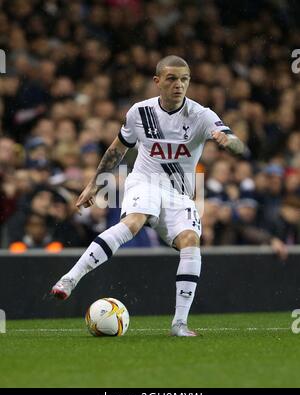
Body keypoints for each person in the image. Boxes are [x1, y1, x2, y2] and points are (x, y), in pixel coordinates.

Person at [51, 56, 245, 336]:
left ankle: (179, 324)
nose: (179, 85)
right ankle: (69, 279)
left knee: (191, 241)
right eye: (171, 79)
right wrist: (95, 184)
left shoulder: (202, 115)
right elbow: (117, 149)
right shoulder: (139, 113)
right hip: (145, 180)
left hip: (179, 192)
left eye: (184, 79)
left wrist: (231, 142)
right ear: (157, 82)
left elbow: (236, 142)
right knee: (135, 221)